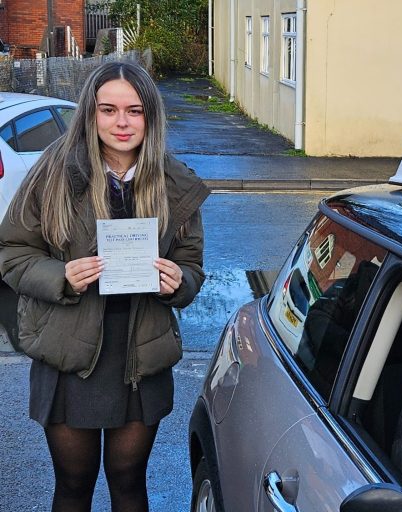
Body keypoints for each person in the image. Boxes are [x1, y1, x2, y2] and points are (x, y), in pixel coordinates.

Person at [0, 61, 210, 511]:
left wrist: (178, 282)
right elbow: (12, 255)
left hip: (140, 354)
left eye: (134, 111)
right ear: (90, 114)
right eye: (108, 109)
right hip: (68, 354)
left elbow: (191, 268)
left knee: (129, 481)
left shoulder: (176, 184)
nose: (121, 122)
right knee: (73, 486)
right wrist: (61, 276)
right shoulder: (52, 174)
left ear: (150, 117)